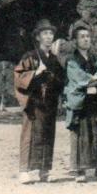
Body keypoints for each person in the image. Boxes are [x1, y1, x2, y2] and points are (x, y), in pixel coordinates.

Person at [14, 18, 64, 184]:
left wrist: (53, 77)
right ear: (37, 37)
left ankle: (44, 170)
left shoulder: (53, 59)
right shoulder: (30, 57)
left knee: (48, 134)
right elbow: (19, 77)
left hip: (49, 103)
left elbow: (61, 79)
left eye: (51, 33)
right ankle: (24, 171)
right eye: (45, 33)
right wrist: (35, 73)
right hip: (34, 103)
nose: (49, 37)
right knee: (30, 134)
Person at [64, 22, 97, 182]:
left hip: (95, 102)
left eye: (88, 37)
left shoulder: (96, 58)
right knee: (81, 134)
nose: (86, 40)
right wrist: (93, 81)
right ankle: (78, 170)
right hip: (81, 102)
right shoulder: (71, 60)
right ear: (76, 41)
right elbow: (77, 77)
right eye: (82, 37)